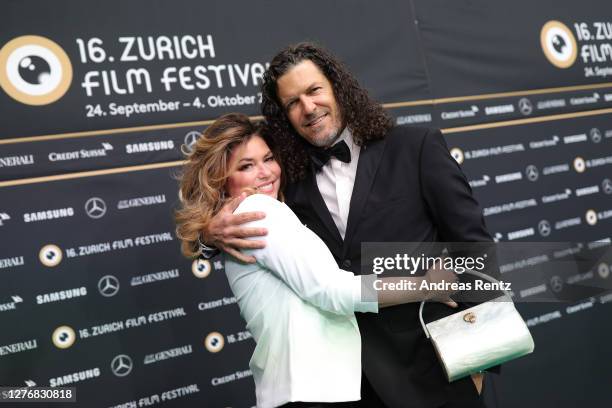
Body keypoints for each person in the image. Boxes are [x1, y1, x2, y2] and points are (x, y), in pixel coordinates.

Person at [202, 44, 495, 408]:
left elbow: (473, 246)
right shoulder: (286, 177)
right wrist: (209, 234)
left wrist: (484, 355)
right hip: (349, 382)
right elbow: (250, 217)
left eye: (314, 91)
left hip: (435, 366)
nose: (307, 108)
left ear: (338, 88)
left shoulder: (414, 147)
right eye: (293, 102)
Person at [175, 113, 457, 408]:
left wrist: (205, 236)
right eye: (246, 166)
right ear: (221, 179)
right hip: (310, 390)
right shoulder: (259, 209)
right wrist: (424, 286)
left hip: (310, 387)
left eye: (269, 158)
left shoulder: (254, 213)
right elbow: (332, 291)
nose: (266, 172)